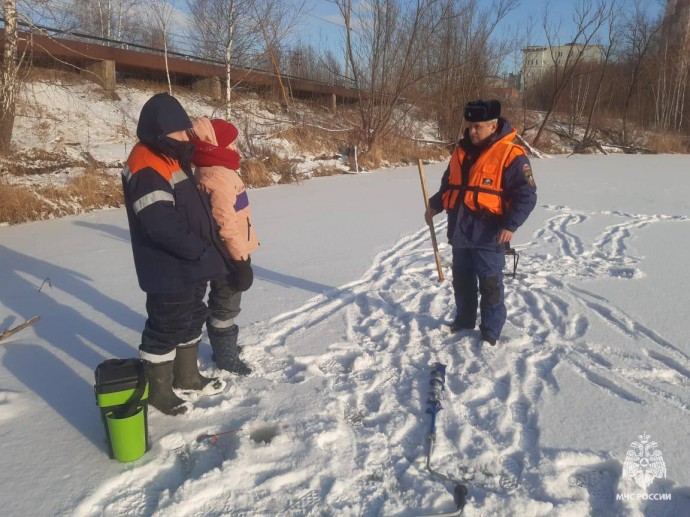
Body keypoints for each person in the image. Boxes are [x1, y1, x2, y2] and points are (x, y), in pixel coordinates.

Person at [121, 93, 226, 415]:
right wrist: (198, 250)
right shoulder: (146, 164)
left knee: (192, 316)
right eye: (179, 132)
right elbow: (160, 225)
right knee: (165, 326)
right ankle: (159, 390)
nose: (186, 137)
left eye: (186, 130)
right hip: (167, 267)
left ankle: (187, 376)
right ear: (158, 131)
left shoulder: (169, 156)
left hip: (191, 263)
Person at [426, 99, 537, 345]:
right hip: (460, 231)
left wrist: (510, 225)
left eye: (477, 126)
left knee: (490, 285)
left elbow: (526, 195)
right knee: (462, 281)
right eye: (470, 126)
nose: (472, 131)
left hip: (490, 234)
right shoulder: (461, 151)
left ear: (493, 125)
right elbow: (449, 185)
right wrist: (435, 205)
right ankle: (464, 320)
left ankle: (491, 331)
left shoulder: (511, 154)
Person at [188, 117, 259, 375]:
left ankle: (223, 346)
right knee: (226, 301)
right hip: (228, 253)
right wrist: (240, 261)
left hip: (230, 248)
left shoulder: (216, 168)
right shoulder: (217, 175)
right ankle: (225, 355)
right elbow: (225, 224)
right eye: (231, 143)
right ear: (216, 145)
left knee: (225, 299)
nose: (235, 147)